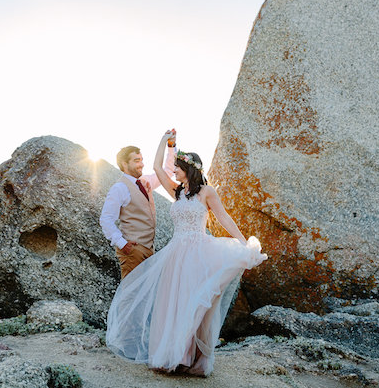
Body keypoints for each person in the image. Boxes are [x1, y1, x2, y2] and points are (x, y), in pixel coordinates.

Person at [106, 130, 267, 376]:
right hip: (175, 254)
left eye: (178, 168)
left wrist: (243, 242)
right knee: (173, 304)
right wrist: (164, 141)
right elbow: (159, 168)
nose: (174, 172)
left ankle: (188, 356)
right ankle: (171, 354)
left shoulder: (207, 192)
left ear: (188, 169)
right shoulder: (178, 192)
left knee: (194, 304)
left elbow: (223, 218)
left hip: (198, 253)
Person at [100, 132, 177, 279]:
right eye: (136, 160)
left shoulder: (144, 181)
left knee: (143, 297)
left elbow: (167, 172)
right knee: (130, 296)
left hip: (148, 250)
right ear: (124, 164)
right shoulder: (119, 188)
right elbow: (106, 219)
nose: (141, 164)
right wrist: (122, 243)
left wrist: (171, 145)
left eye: (141, 160)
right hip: (132, 251)